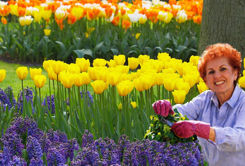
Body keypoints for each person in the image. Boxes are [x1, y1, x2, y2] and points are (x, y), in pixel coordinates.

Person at [152, 43, 245, 166]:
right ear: (205, 80)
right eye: (211, 72)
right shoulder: (205, 98)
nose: (217, 76)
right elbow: (182, 113)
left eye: (223, 69)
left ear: (235, 73)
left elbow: (240, 139)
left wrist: (205, 131)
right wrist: (168, 110)